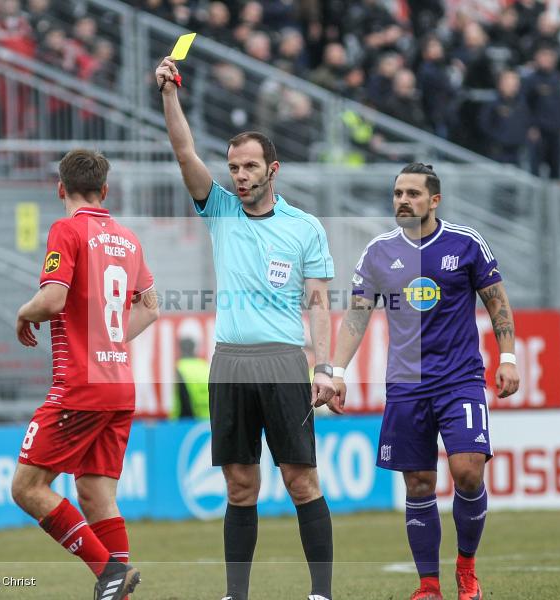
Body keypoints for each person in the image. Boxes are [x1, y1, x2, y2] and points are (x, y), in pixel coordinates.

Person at [157, 56, 338, 600]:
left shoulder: (304, 227)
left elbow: (320, 302)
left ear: (272, 169)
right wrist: (169, 96)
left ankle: (321, 594)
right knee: (240, 487)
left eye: (249, 168)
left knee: (301, 481)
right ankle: (236, 594)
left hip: (284, 360)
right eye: (234, 167)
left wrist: (325, 366)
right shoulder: (219, 209)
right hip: (230, 360)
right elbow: (185, 151)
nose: (239, 176)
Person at [327, 163, 520, 600]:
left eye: (412, 194)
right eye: (397, 193)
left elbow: (498, 303)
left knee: (467, 472)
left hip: (460, 379)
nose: (402, 201)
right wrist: (338, 372)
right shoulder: (378, 251)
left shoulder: (466, 244)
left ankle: (466, 570)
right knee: (417, 482)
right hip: (406, 384)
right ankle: (428, 586)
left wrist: (507, 357)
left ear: (434, 200)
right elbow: (358, 314)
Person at [10, 150, 158, 600]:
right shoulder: (128, 239)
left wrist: (22, 312)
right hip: (119, 386)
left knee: (27, 487)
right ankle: (122, 593)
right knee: (95, 494)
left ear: (61, 189)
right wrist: (109, 339)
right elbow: (150, 307)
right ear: (105, 191)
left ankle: (108, 571)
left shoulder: (66, 229)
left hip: (80, 386)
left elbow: (53, 299)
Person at [524, 45, 560, 179]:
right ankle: (535, 198)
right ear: (537, 58)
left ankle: (556, 199)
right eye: (543, 56)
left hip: (555, 130)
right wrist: (531, 126)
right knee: (535, 170)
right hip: (539, 131)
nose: (547, 60)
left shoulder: (558, 78)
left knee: (557, 170)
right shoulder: (530, 80)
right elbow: (525, 106)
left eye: (550, 57)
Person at [172, 336, 210, 419]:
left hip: (189, 419)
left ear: (180, 349)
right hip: (208, 417)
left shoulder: (180, 367)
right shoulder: (204, 366)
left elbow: (183, 397)